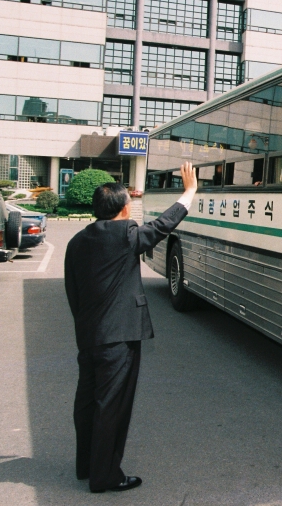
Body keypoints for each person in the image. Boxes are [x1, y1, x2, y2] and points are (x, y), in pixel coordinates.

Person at [64, 162, 198, 493]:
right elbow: (164, 224)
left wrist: (87, 327)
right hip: (119, 338)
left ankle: (86, 466)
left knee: (87, 402)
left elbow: (73, 294)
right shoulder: (126, 235)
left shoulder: (76, 242)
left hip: (89, 337)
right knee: (112, 407)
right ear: (125, 208)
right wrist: (190, 191)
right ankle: (105, 476)